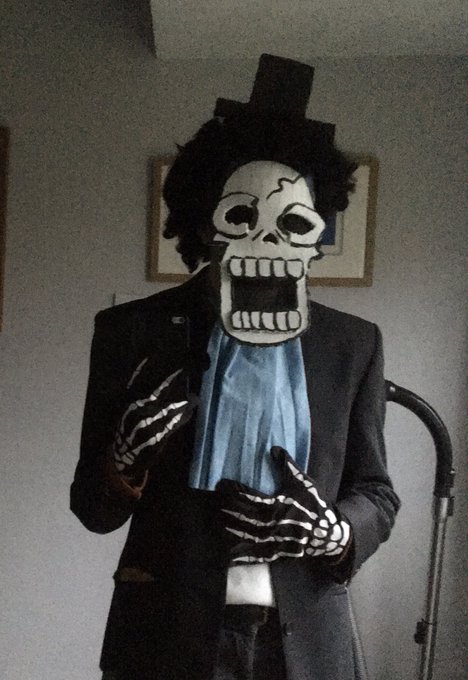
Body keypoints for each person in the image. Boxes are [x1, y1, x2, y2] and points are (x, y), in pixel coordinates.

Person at [71, 55, 400, 680]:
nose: (267, 239)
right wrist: (124, 458)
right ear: (207, 223)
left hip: (307, 644)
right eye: (241, 215)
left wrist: (334, 532)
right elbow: (93, 507)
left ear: (315, 236)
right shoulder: (132, 333)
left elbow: (376, 493)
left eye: (294, 223)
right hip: (163, 638)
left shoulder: (352, 344)